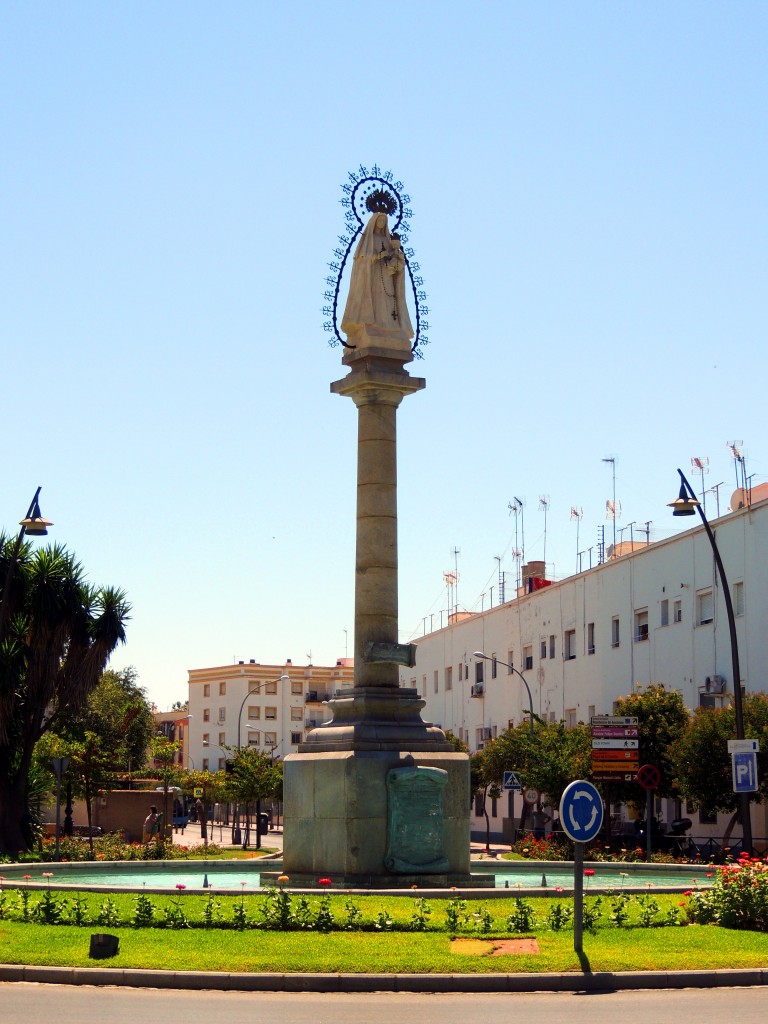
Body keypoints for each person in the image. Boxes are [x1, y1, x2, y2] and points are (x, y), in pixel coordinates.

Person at [341, 212, 414, 352]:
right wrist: (377, 256)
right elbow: (362, 259)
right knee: (375, 300)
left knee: (387, 301)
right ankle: (372, 326)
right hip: (372, 276)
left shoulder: (388, 240)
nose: (381, 222)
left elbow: (394, 255)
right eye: (379, 219)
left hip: (386, 276)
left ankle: (389, 328)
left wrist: (396, 261)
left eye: (384, 220)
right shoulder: (368, 239)